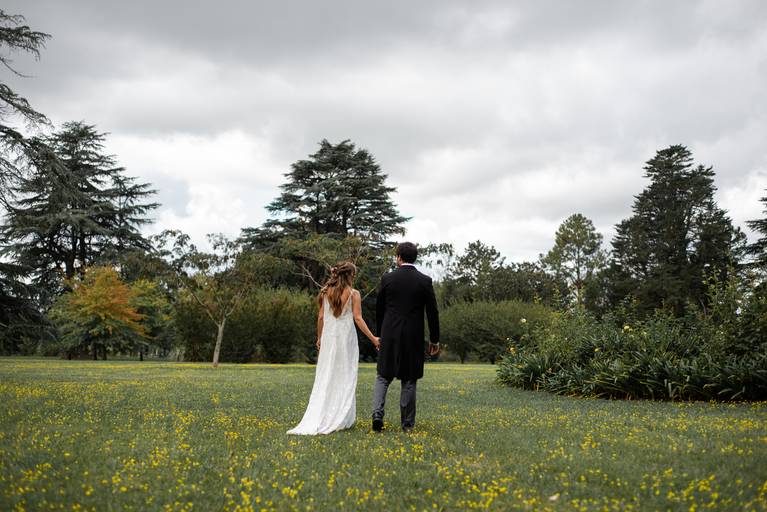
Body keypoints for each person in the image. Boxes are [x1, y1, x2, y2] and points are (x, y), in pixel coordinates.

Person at [287, 262, 379, 435]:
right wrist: (373, 338)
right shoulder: (354, 294)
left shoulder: (324, 291)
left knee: (327, 374)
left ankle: (327, 413)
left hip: (329, 337)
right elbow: (358, 319)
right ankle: (340, 416)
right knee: (345, 374)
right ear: (350, 275)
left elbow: (321, 317)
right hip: (345, 338)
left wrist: (320, 338)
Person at [372, 242, 440, 433]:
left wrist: (380, 334)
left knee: (383, 376)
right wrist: (434, 339)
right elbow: (432, 313)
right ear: (414, 258)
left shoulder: (387, 278)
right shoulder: (424, 281)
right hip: (413, 335)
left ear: (398, 257)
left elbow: (380, 309)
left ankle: (377, 415)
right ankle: (407, 425)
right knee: (409, 379)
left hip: (390, 333)